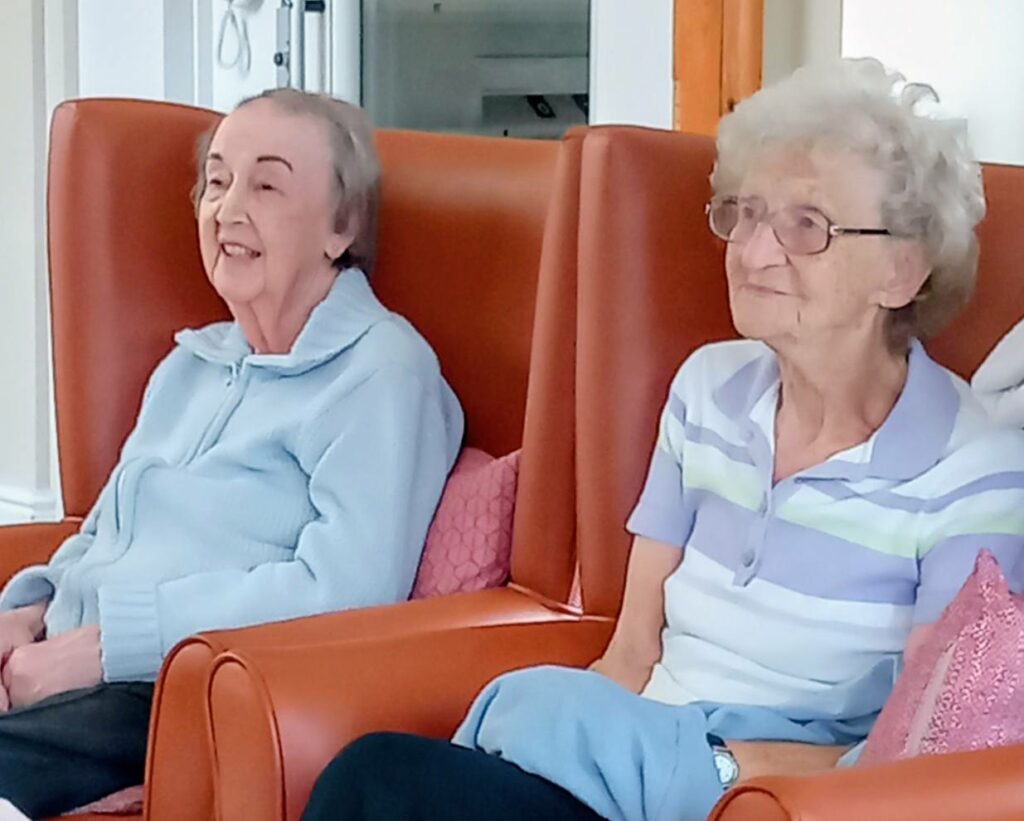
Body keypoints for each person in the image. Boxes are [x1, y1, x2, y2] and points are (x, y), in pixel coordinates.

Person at [301, 59, 1024, 821]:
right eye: (744, 213)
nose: (751, 252)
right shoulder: (707, 390)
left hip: (776, 804)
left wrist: (716, 766)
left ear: (903, 269)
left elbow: (917, 752)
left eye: (805, 225)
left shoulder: (976, 473)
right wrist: (589, 740)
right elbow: (632, 652)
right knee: (378, 779)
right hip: (631, 779)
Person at [0, 89, 463, 817]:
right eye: (216, 181)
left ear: (340, 227)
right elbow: (106, 529)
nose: (228, 208)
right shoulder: (192, 364)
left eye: (267, 185)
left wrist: (102, 649)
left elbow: (344, 591)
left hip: (178, 687)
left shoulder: (381, 372)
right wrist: (27, 611)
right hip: (65, 662)